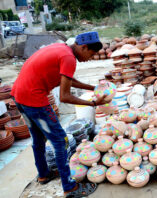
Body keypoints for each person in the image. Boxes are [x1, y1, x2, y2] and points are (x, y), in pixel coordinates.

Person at [10, 32, 109, 197]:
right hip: (34, 99)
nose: (90, 58)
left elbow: (68, 80)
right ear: (83, 47)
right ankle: (70, 187)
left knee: (38, 138)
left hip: (19, 96)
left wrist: (93, 88)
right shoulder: (69, 58)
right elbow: (65, 96)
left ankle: (43, 174)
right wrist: (92, 103)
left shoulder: (62, 49)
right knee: (60, 141)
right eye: (91, 54)